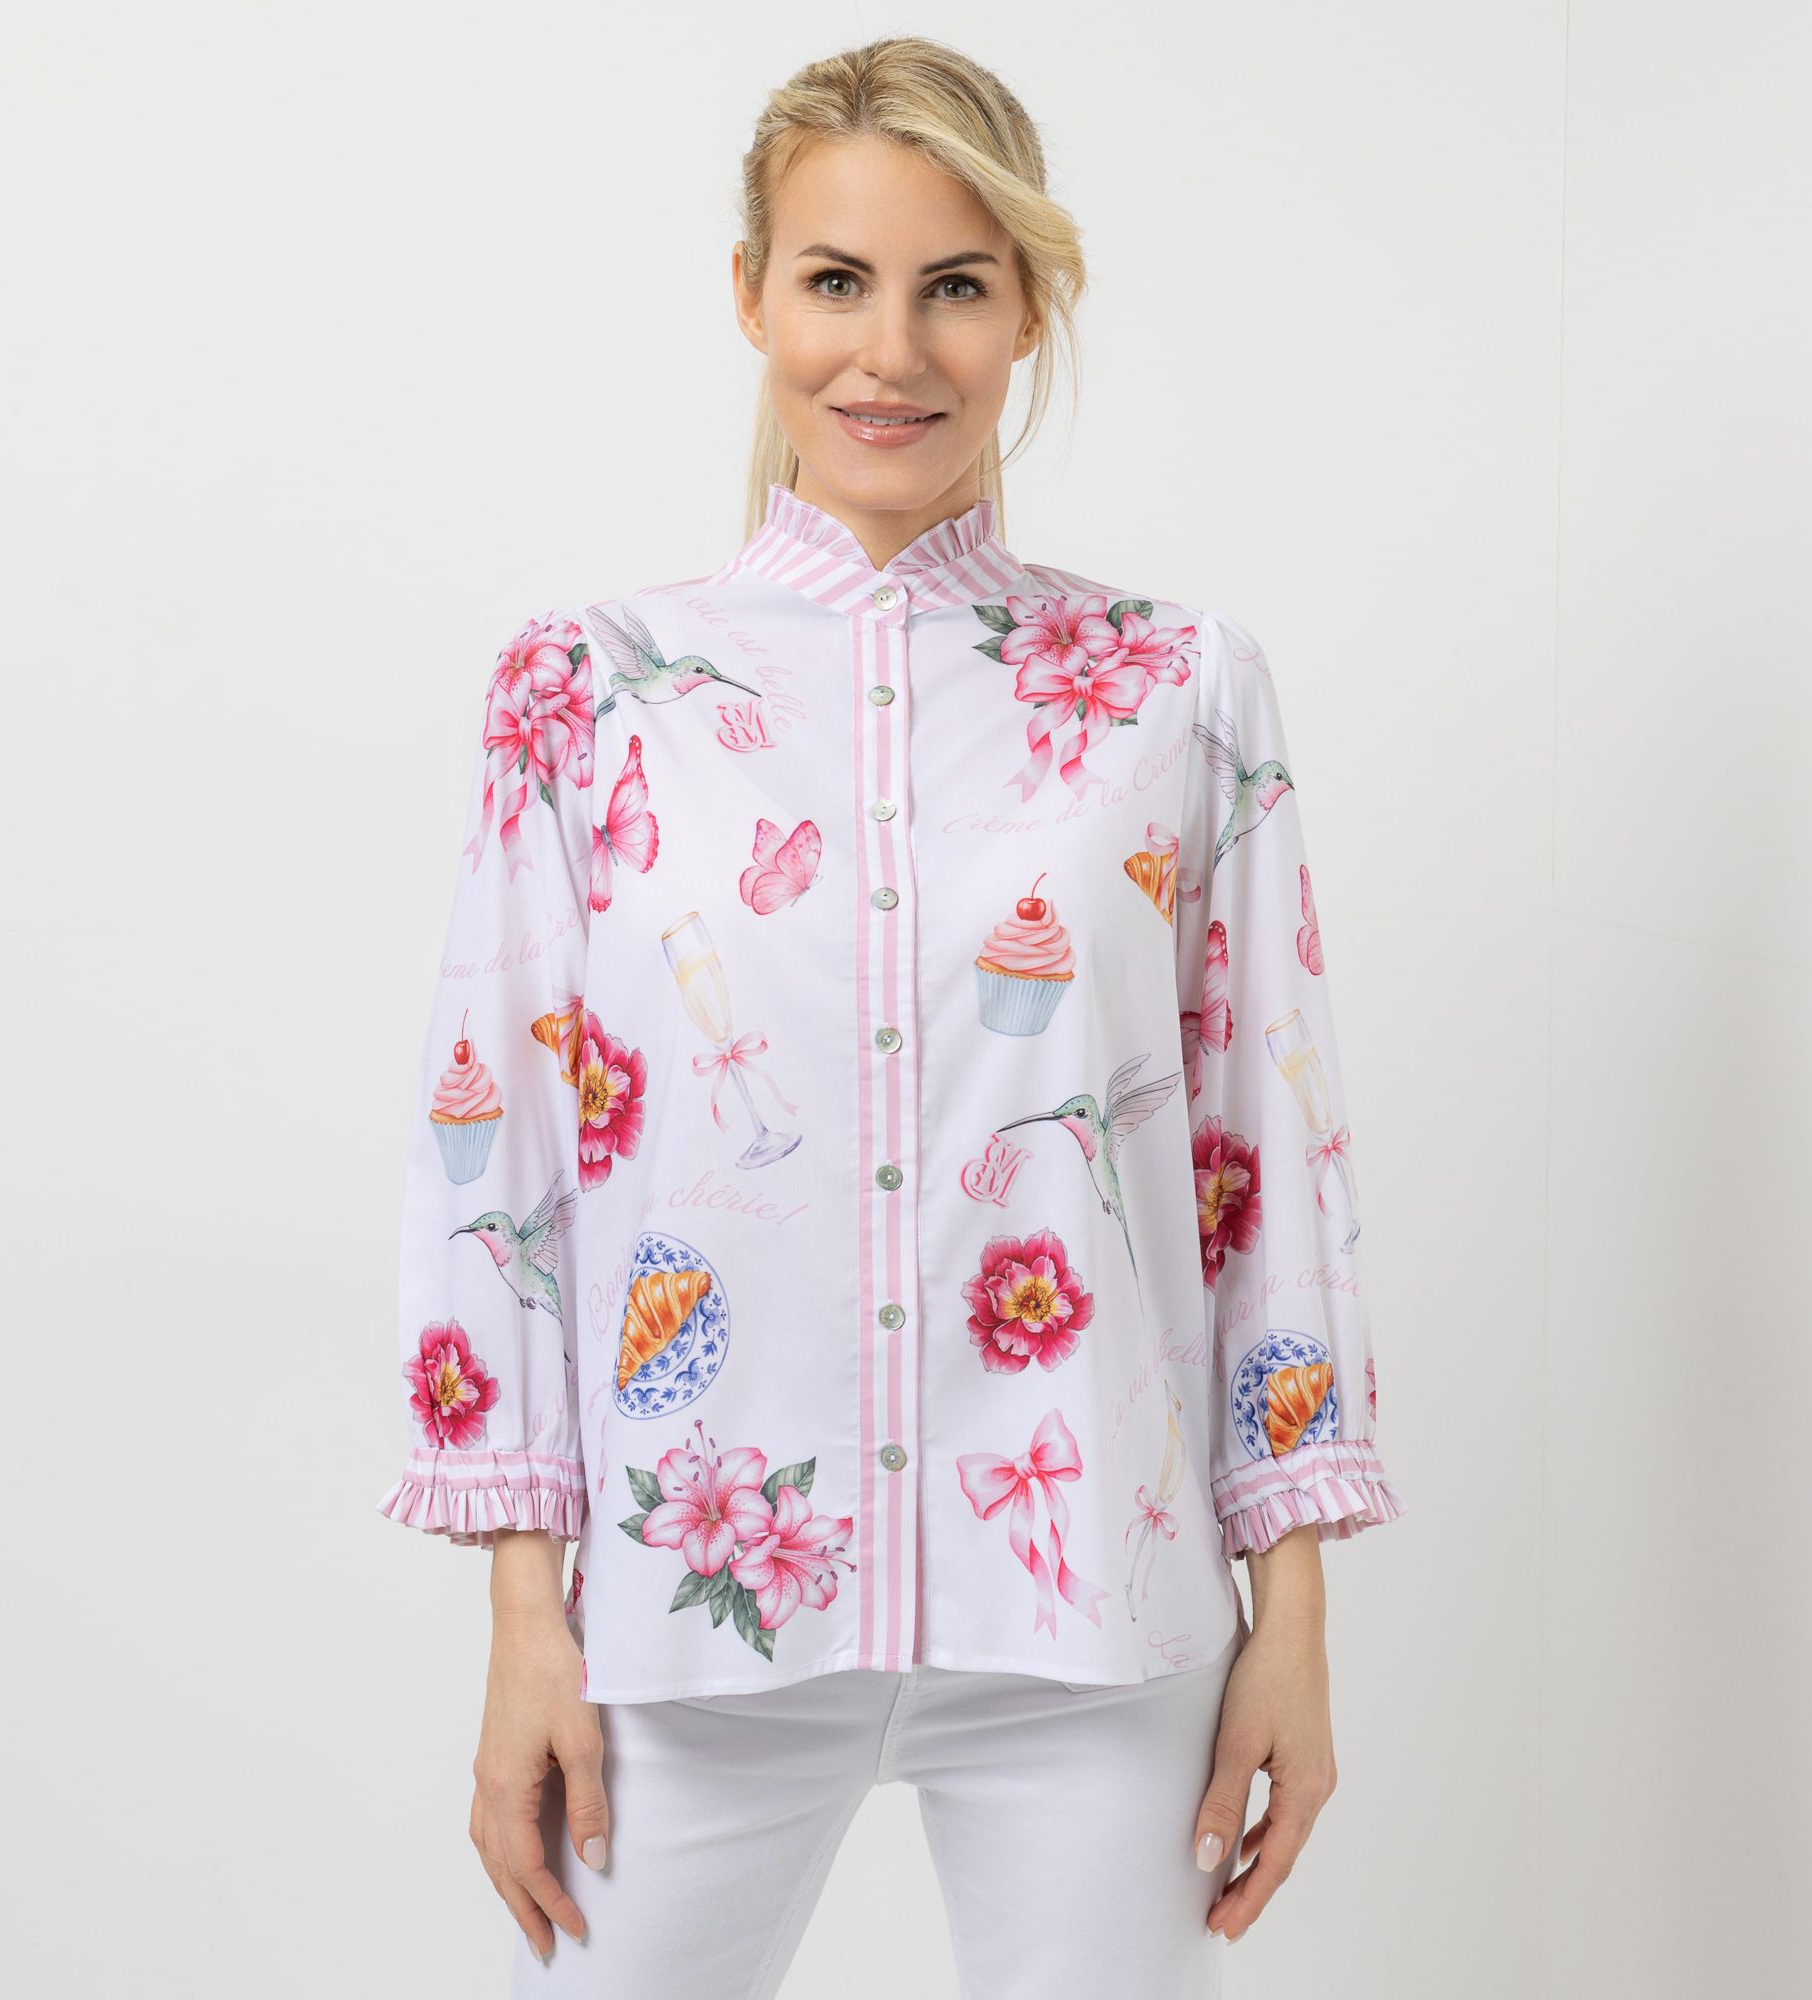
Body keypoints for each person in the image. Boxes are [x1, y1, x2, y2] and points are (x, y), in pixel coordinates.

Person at [377, 35, 1408, 1998]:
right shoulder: (587, 690)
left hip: (1098, 1625)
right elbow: (494, 1153)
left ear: (1031, 308)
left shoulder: (1177, 689)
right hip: (688, 1622)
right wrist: (524, 1616)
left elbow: (1262, 1155)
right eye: (837, 280)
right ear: (750, 293)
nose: (891, 352)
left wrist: (1293, 1615)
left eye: (955, 285)